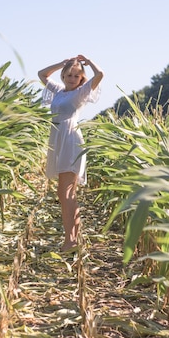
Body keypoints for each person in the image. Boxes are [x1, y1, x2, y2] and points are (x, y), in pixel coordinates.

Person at [38, 55, 104, 252]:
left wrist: (89, 62)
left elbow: (100, 74)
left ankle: (71, 241)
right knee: (65, 192)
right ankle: (73, 238)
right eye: (68, 74)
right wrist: (63, 62)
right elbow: (42, 74)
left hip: (70, 140)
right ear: (63, 76)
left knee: (66, 192)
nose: (72, 78)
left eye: (76, 75)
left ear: (81, 78)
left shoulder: (81, 92)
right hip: (59, 139)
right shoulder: (59, 91)